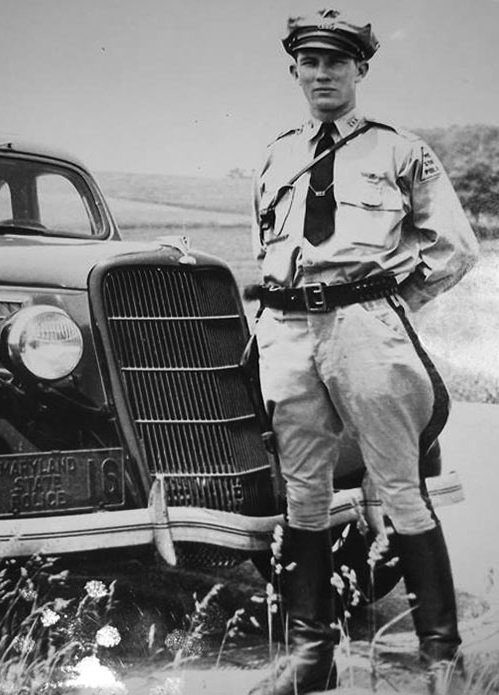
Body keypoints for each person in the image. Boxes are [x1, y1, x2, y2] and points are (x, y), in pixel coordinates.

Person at [248, 9, 480, 695]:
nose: (323, 74)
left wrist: (392, 304)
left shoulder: (401, 151)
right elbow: (266, 248)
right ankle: (310, 658)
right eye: (311, 63)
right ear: (295, 70)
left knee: (401, 488)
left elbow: (455, 248)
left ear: (360, 70)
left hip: (365, 327)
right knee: (304, 496)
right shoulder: (276, 152)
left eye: (337, 63)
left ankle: (441, 660)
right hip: (288, 331)